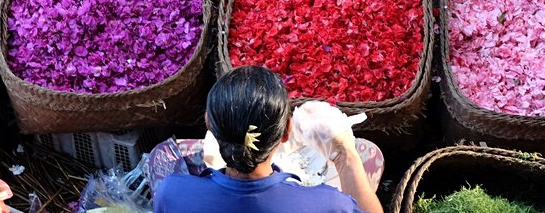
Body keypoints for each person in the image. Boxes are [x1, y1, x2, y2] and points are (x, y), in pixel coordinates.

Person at [153, 66, 383, 213]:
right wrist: (345, 155)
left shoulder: (172, 192)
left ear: (208, 124)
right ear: (287, 132)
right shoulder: (329, 205)